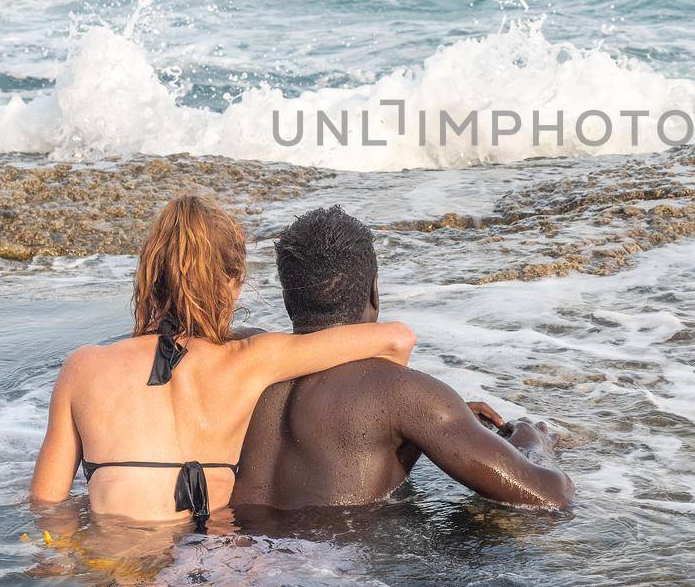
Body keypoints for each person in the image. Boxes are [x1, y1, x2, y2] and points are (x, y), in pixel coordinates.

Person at [29, 194, 417, 531]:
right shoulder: (252, 359)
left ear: (148, 275)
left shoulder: (82, 368)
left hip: (116, 569)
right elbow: (397, 340)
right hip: (215, 574)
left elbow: (46, 506)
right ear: (232, 282)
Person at [229, 206, 573, 511]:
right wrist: (533, 443)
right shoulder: (406, 395)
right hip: (334, 574)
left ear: (287, 301)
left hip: (227, 555)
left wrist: (413, 428)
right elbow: (549, 496)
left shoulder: (230, 366)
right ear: (374, 294)